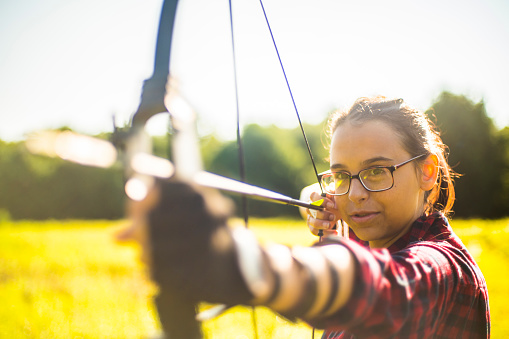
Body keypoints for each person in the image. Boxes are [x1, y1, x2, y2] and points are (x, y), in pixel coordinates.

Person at [121, 96, 490, 338]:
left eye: (377, 171)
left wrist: (250, 266)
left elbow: (386, 286)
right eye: (342, 176)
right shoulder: (367, 238)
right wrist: (325, 213)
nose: (357, 193)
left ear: (426, 172)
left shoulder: (446, 267)